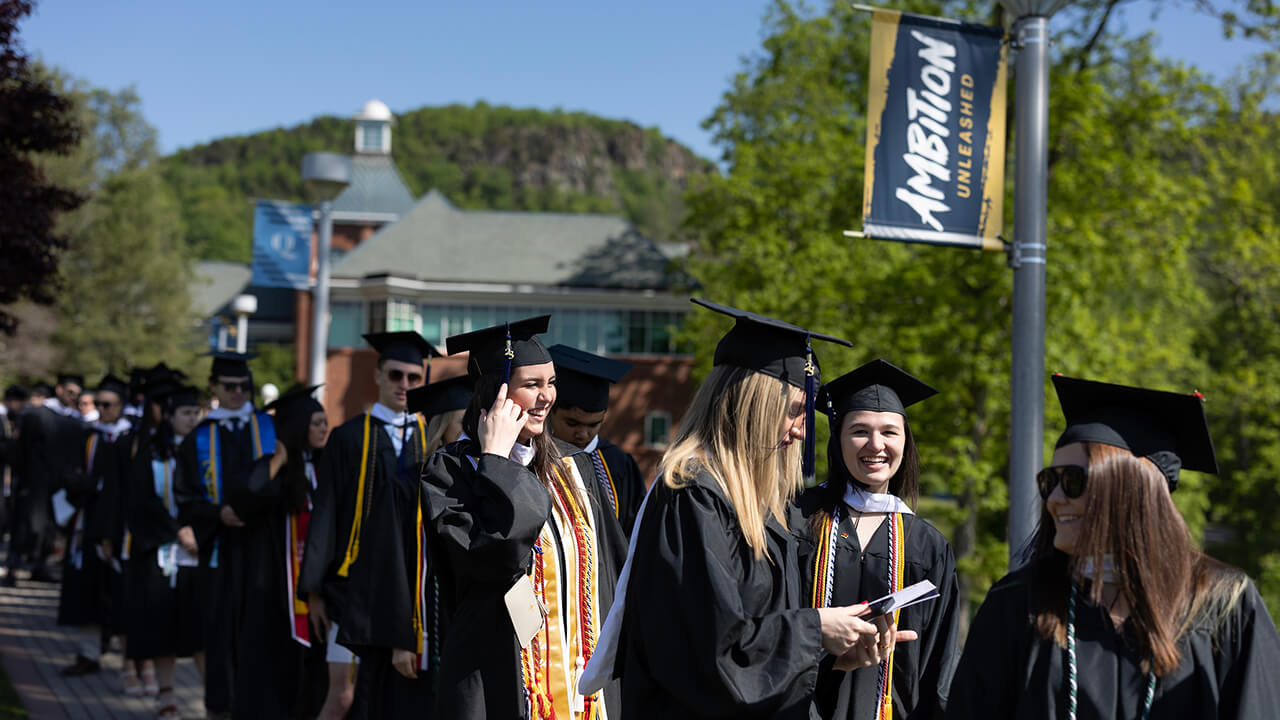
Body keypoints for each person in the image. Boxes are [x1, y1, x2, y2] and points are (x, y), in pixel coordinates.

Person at [586, 299, 905, 719]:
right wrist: (816, 630)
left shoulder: (764, 504)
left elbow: (760, 636)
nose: (801, 430)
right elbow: (709, 647)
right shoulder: (693, 496)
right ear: (754, 403)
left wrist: (830, 655)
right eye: (793, 411)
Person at [947, 375, 1280, 719]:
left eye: (1073, 481)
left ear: (1132, 489)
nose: (1055, 499)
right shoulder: (1017, 603)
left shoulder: (1224, 606)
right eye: (1049, 481)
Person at [423, 315, 627, 720]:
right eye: (532, 385)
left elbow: (614, 570)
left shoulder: (575, 468)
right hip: (501, 678)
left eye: (550, 383)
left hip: (585, 686)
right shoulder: (450, 472)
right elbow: (494, 559)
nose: (546, 396)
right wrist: (497, 462)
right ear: (495, 393)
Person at [795, 359, 960, 720]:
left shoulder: (928, 546)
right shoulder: (796, 520)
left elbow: (940, 667)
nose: (876, 445)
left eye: (889, 432)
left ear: (906, 441)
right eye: (859, 431)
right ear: (837, 439)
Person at [298, 331, 439, 719]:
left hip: (407, 590)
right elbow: (325, 513)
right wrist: (315, 591)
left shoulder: (430, 437)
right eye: (396, 375)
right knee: (341, 696)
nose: (405, 386)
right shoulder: (346, 437)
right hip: (350, 586)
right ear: (378, 375)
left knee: (390, 695)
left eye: (414, 378)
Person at [174, 351, 276, 719]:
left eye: (243, 386)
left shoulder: (267, 427)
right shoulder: (199, 436)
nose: (238, 393)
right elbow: (183, 495)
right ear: (213, 386)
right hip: (219, 548)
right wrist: (218, 513)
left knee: (258, 630)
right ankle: (220, 708)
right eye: (230, 386)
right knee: (219, 632)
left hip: (262, 547)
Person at [125, 383, 208, 718]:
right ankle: (166, 696)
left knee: (201, 629)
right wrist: (177, 531)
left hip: (199, 552)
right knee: (161, 629)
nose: (192, 419)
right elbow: (141, 501)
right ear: (170, 416)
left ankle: (212, 697)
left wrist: (197, 533)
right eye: (185, 413)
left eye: (195, 413)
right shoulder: (151, 454)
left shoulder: (206, 451)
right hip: (160, 554)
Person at [57, 375, 133, 678]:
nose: (102, 410)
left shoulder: (131, 440)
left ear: (121, 406)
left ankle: (132, 663)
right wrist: (88, 485)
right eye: (98, 404)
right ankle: (89, 654)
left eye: (108, 404)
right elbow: (70, 475)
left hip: (123, 530)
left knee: (121, 596)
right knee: (87, 591)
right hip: (89, 527)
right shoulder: (89, 436)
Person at [547, 344, 646, 537]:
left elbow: (636, 531)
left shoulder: (618, 464)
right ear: (552, 412)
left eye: (593, 425)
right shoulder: (533, 457)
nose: (583, 434)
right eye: (572, 423)